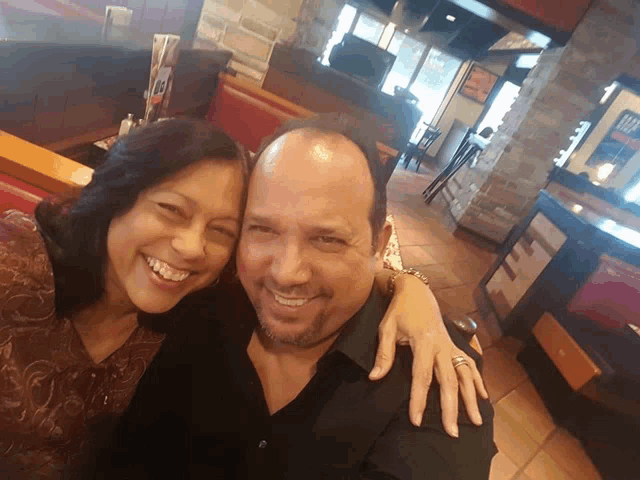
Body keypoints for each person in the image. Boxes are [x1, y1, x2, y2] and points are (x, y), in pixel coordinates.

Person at [0, 118, 486, 478]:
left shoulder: (438, 384)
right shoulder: (199, 304)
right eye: (262, 230)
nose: (287, 273)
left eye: (328, 240)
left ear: (377, 247)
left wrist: (410, 286)